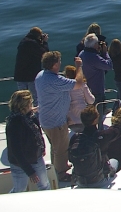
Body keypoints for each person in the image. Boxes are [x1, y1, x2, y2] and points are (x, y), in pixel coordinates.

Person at [34, 51, 86, 182]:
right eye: (59, 62)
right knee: (61, 149)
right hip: (56, 123)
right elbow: (78, 83)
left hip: (46, 120)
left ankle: (57, 167)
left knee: (55, 147)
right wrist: (79, 66)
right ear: (54, 65)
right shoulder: (55, 80)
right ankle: (61, 174)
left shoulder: (40, 75)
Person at [5, 90, 49, 192]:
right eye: (30, 103)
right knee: (19, 190)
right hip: (19, 163)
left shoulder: (30, 116)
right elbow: (16, 151)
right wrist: (30, 172)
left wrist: (42, 148)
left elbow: (38, 133)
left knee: (45, 186)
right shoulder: (14, 124)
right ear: (25, 105)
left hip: (36, 157)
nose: (32, 104)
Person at [68, 105, 116, 187]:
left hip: (80, 181)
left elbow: (70, 158)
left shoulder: (75, 138)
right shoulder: (101, 136)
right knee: (114, 161)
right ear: (95, 120)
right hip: (98, 181)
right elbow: (118, 129)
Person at [78, 33, 112, 131]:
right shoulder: (94, 57)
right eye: (97, 43)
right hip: (97, 90)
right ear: (94, 45)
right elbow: (109, 66)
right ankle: (100, 133)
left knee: (89, 115)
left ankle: (89, 130)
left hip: (86, 90)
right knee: (98, 115)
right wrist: (105, 53)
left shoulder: (82, 54)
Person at [13, 27, 49, 105]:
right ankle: (35, 116)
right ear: (38, 36)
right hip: (31, 76)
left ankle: (23, 115)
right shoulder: (33, 43)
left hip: (20, 75)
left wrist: (40, 41)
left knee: (22, 100)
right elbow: (44, 54)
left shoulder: (23, 41)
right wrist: (45, 42)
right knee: (35, 99)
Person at [64, 65, 95, 133]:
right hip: (83, 118)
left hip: (70, 118)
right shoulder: (82, 84)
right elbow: (91, 101)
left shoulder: (64, 87)